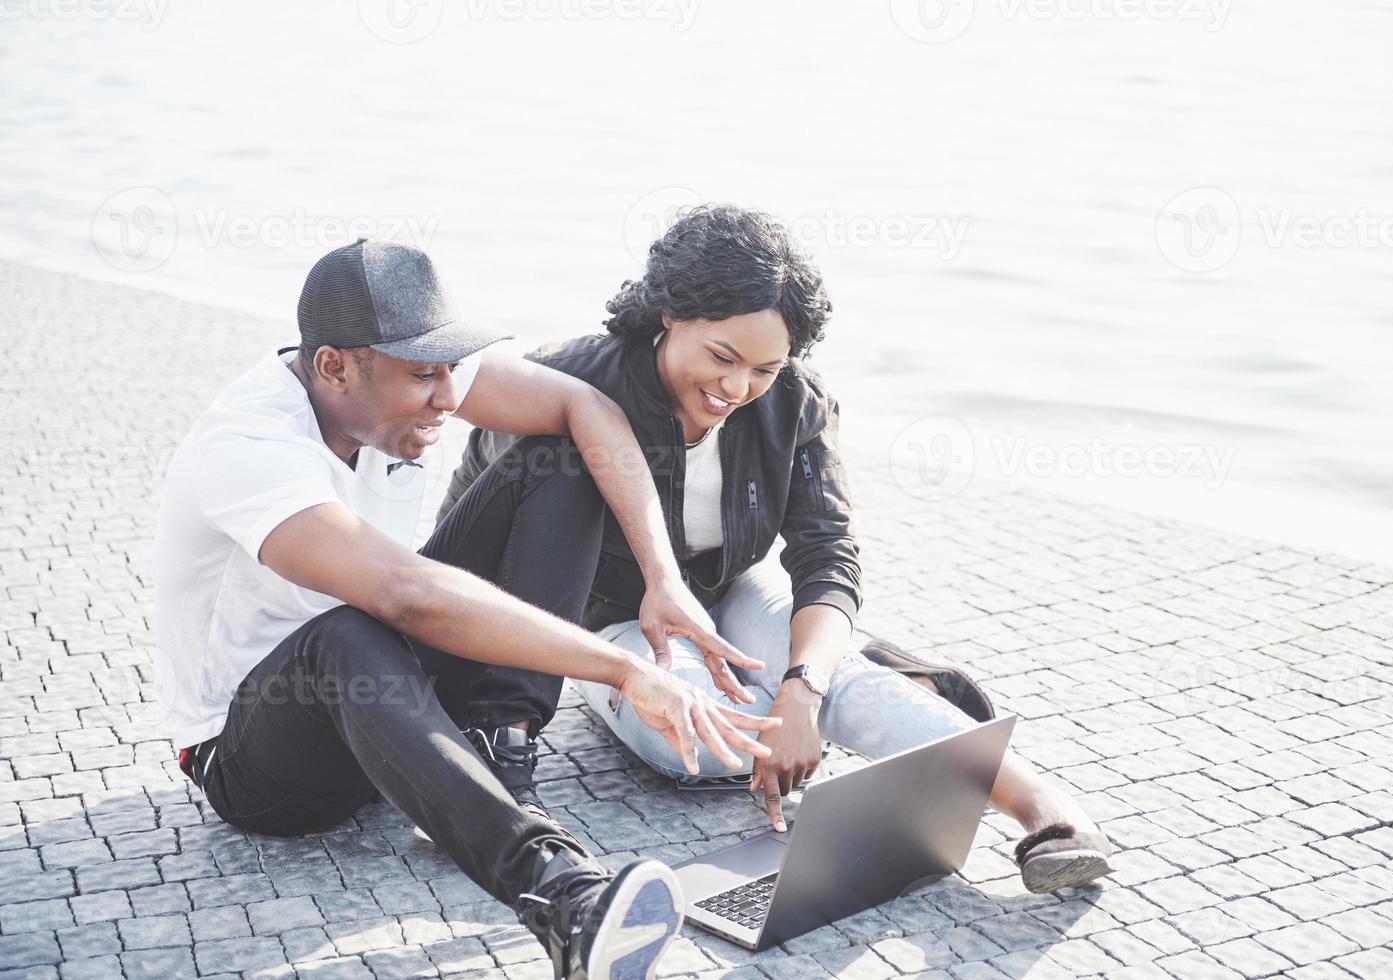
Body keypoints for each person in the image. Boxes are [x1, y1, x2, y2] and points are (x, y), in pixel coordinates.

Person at [151, 238, 783, 980]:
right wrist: (622, 670)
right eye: (424, 377)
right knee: (345, 634)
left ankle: (495, 743)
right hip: (258, 757)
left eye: (452, 369)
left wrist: (661, 577)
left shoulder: (403, 370)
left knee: (562, 451)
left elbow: (585, 405)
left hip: (390, 690)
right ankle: (565, 899)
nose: (448, 398)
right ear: (333, 367)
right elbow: (404, 596)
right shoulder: (249, 447)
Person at [439, 206, 1115, 894]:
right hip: (599, 623)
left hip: (725, 588)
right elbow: (487, 540)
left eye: (763, 368)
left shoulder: (795, 402)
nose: (736, 389)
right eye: (722, 358)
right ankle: (864, 672)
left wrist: (803, 689)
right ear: (671, 314)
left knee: (826, 686)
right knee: (699, 746)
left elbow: (827, 554)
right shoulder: (569, 382)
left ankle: (1046, 811)